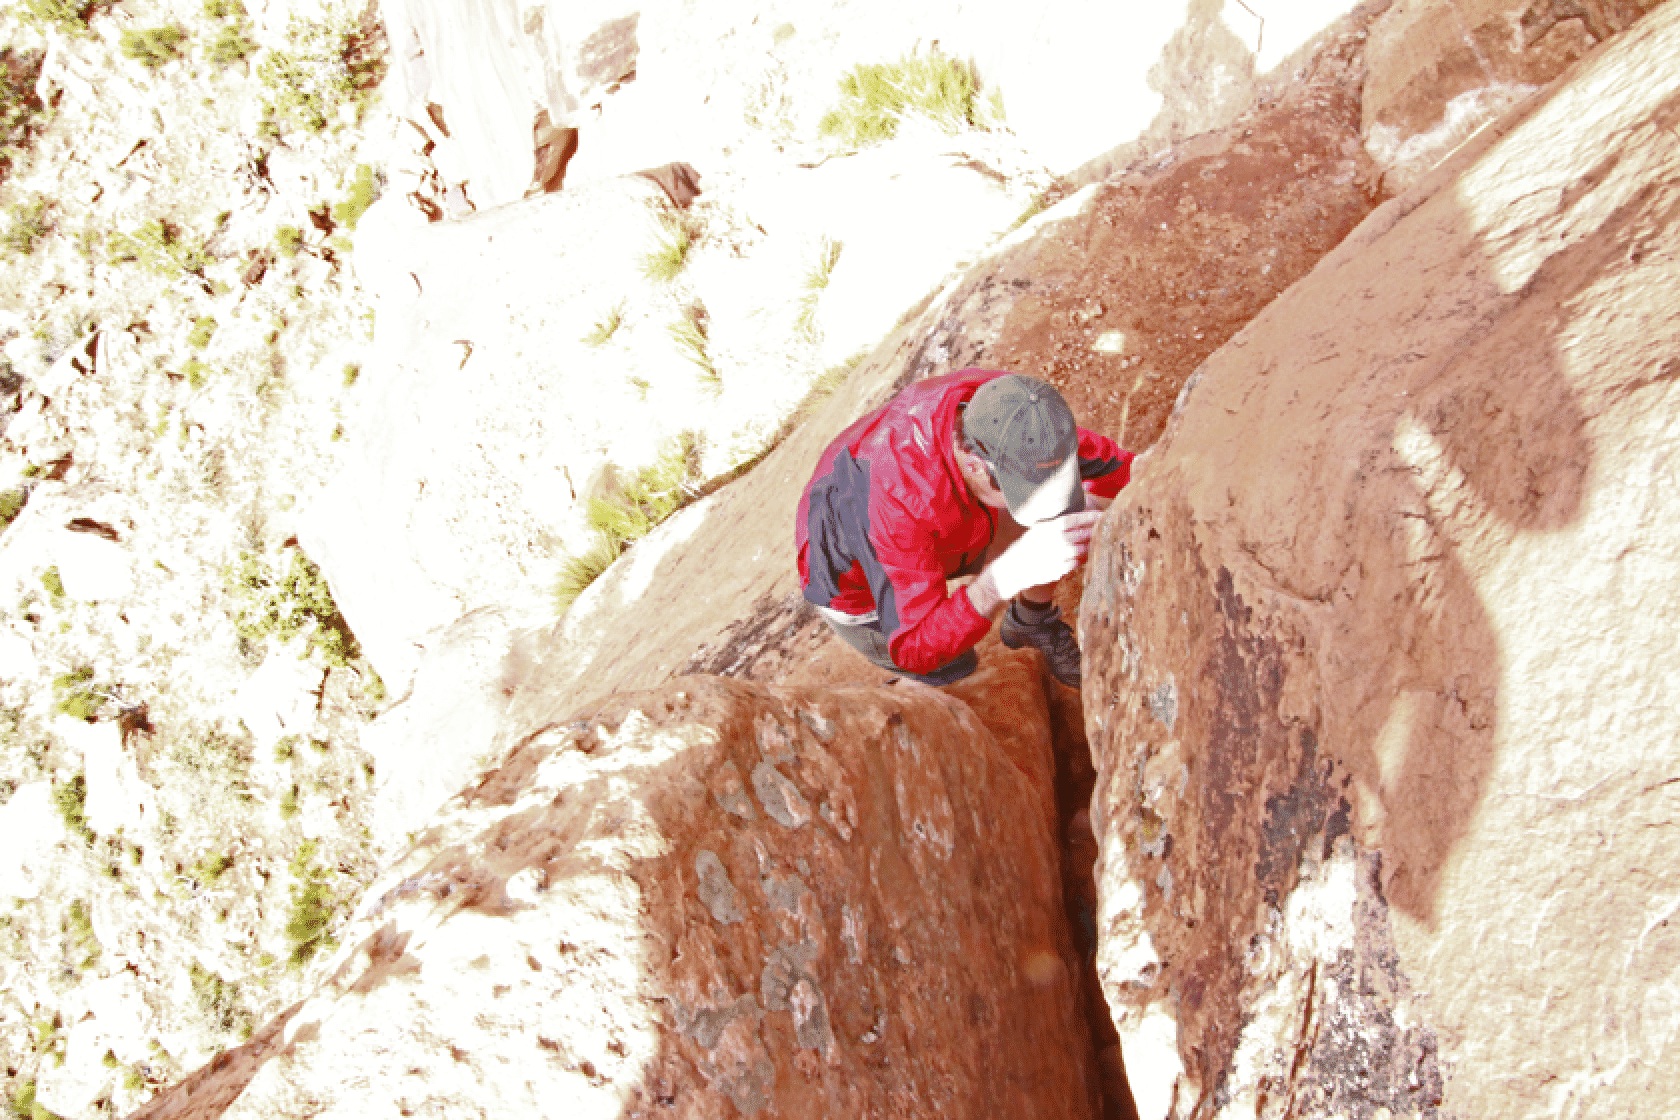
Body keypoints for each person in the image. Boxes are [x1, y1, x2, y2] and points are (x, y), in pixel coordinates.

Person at [796, 369, 1134, 688]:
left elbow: (1063, 448)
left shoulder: (1009, 404)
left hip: (944, 515)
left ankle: (1032, 621)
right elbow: (913, 647)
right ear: (974, 466)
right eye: (1021, 492)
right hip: (857, 582)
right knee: (951, 667)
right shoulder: (897, 504)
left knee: (1067, 513)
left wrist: (1142, 472)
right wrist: (1004, 578)